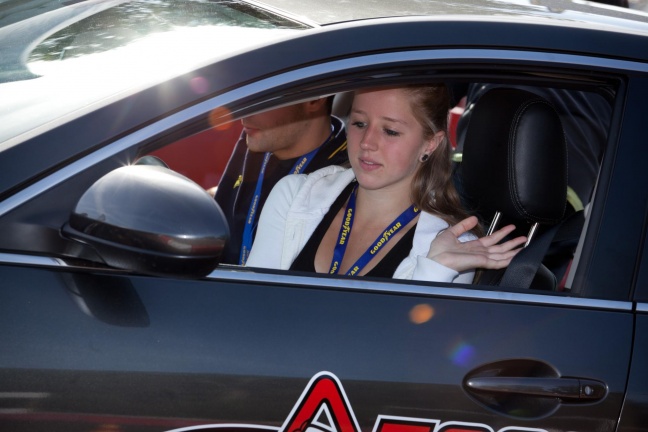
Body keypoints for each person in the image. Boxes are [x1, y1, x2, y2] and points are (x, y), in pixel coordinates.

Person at [245, 84, 526, 283]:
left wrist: (435, 269)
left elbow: (408, 359)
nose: (367, 143)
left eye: (390, 131)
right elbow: (249, 310)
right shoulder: (294, 196)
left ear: (430, 143)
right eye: (359, 124)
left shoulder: (451, 248)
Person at [214, 97, 348, 265]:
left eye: (263, 98)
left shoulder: (345, 176)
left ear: (314, 99)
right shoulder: (256, 137)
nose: (243, 113)